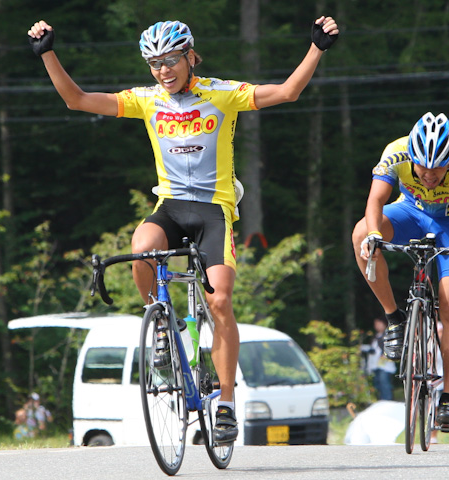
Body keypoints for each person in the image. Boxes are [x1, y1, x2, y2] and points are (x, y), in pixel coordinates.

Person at [27, 16, 339, 444]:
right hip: (171, 208)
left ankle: (226, 403)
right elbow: (76, 100)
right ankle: (160, 325)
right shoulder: (146, 100)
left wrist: (317, 48)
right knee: (141, 247)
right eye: (154, 63)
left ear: (190, 56)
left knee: (222, 302)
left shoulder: (223, 94)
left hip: (214, 212)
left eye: (171, 60)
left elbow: (287, 92)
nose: (163, 71)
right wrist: (47, 53)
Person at [352, 112, 449, 433]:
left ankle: (447, 399)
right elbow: (375, 200)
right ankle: (395, 319)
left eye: (438, 168)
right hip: (410, 211)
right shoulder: (397, 152)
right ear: (412, 158)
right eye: (422, 168)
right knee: (361, 234)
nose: (430, 175)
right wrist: (375, 234)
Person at [366, 317, 396, 400]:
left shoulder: (388, 335)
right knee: (378, 385)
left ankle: (388, 402)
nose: (376, 326)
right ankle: (382, 402)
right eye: (375, 324)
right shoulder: (375, 337)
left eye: (378, 323)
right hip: (376, 365)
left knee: (385, 385)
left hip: (385, 366)